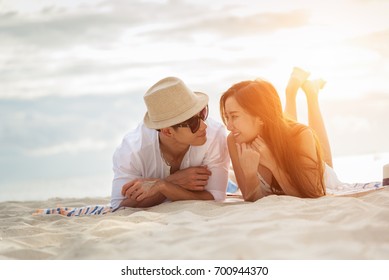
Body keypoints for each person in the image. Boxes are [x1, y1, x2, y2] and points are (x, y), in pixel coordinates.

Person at [219, 67, 344, 201]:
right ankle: (294, 91)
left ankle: (310, 94)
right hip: (282, 134)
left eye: (234, 116)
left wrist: (273, 164)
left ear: (260, 117)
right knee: (283, 128)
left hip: (322, 179)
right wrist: (250, 175)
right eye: (227, 117)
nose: (228, 126)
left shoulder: (301, 135)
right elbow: (251, 199)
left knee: (325, 161)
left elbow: (312, 194)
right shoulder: (234, 141)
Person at [111, 76, 230, 210]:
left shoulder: (214, 135)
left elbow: (216, 198)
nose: (204, 126)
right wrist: (170, 182)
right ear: (167, 132)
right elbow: (119, 208)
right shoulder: (132, 151)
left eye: (202, 113)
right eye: (193, 123)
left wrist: (161, 187)